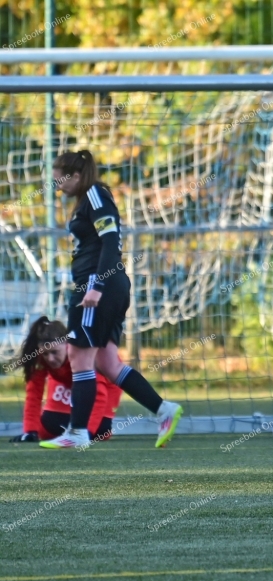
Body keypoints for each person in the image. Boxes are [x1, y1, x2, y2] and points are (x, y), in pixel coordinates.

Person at [39, 149, 183, 449]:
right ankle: (163, 410)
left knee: (79, 357)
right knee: (107, 362)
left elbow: (110, 241)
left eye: (61, 179)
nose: (58, 185)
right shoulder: (89, 198)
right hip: (105, 285)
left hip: (97, 285)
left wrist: (96, 286)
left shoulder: (95, 195)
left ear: (77, 176)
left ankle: (78, 433)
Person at [9, 316, 122, 443]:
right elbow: (33, 395)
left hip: (107, 384)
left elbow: (99, 395)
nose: (50, 359)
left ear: (67, 345)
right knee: (47, 430)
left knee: (101, 432)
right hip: (67, 382)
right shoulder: (39, 359)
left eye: (55, 352)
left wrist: (87, 433)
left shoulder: (82, 355)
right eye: (45, 354)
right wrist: (30, 431)